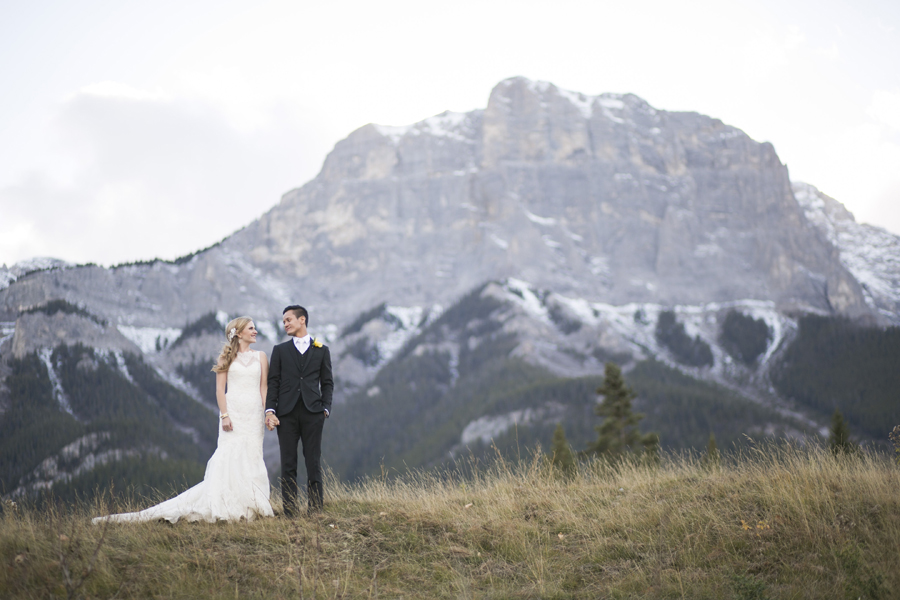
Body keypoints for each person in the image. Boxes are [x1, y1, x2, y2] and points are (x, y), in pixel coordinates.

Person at [93, 317, 274, 524]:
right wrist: (224, 415)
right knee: (229, 455)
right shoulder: (226, 358)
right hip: (232, 412)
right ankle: (226, 504)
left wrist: (267, 412)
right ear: (239, 333)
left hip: (253, 414)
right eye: (251, 328)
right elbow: (219, 390)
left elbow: (264, 387)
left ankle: (250, 502)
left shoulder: (261, 357)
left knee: (252, 455)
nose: (256, 331)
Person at [265, 305, 333, 516]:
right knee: (288, 463)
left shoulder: (322, 350)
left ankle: (315, 510)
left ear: (302, 320)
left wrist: (325, 408)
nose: (285, 324)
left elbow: (327, 382)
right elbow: (273, 382)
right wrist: (270, 410)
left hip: (313, 413)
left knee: (313, 461)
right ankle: (290, 512)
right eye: (284, 321)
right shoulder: (280, 350)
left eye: (288, 320)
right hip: (286, 414)